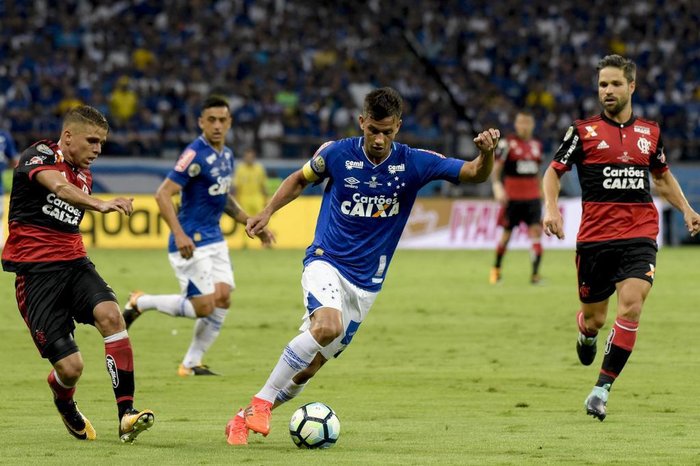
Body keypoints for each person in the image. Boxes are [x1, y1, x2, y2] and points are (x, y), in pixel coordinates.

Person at [225, 87, 500, 445]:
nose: (380, 139)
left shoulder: (414, 162)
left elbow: (475, 173)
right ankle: (261, 402)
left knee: (309, 368)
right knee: (325, 326)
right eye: (373, 130)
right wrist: (266, 212)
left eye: (387, 131)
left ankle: (242, 419)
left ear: (398, 126)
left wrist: (487, 154)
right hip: (326, 260)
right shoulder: (337, 154)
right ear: (362, 123)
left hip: (366, 285)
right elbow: (297, 180)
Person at [542, 55, 700, 421]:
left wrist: (688, 210)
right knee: (595, 318)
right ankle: (586, 333)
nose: (607, 91)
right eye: (602, 85)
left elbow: (661, 178)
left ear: (632, 86)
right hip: (595, 241)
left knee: (631, 305)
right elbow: (553, 172)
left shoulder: (650, 133)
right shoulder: (582, 132)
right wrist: (551, 209)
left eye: (614, 84)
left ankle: (600, 390)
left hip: (640, 235)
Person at [1, 106, 155, 442]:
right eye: (92, 141)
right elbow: (57, 187)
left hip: (75, 264)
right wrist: (99, 204)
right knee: (71, 369)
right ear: (68, 136)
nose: (98, 149)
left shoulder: (84, 174)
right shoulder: (39, 155)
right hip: (36, 276)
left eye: (102, 143)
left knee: (112, 317)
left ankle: (126, 415)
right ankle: (63, 398)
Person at [122, 96, 274, 377]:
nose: (217, 125)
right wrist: (179, 234)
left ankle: (191, 363)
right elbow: (163, 194)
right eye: (211, 120)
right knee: (203, 307)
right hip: (191, 240)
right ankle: (140, 302)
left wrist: (251, 222)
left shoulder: (227, 155)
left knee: (224, 297)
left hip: (214, 238)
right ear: (201, 122)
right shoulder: (194, 154)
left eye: (222, 120)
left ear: (229, 123)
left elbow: (224, 199)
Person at [489, 110, 544, 284]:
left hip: (533, 198)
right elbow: (496, 169)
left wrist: (543, 191)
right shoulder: (507, 144)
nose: (524, 126)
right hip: (512, 198)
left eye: (527, 123)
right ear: (516, 124)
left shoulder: (537, 145)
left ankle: (535, 276)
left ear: (532, 125)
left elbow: (537, 171)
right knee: (506, 236)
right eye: (521, 122)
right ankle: (496, 272)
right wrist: (497, 187)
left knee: (536, 233)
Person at [232, 147, 268, 247]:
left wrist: (266, 199)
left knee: (262, 220)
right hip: (244, 198)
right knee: (244, 221)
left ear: (254, 157)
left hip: (257, 198)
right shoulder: (240, 169)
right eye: (248, 157)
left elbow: (263, 185)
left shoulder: (259, 168)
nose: (249, 159)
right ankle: (245, 243)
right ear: (244, 157)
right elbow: (236, 187)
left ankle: (266, 241)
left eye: (251, 157)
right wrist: (235, 200)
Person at [0, 128, 19, 247]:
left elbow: (13, 159)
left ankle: (1, 243)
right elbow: (13, 160)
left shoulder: (4, 135)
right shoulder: (3, 136)